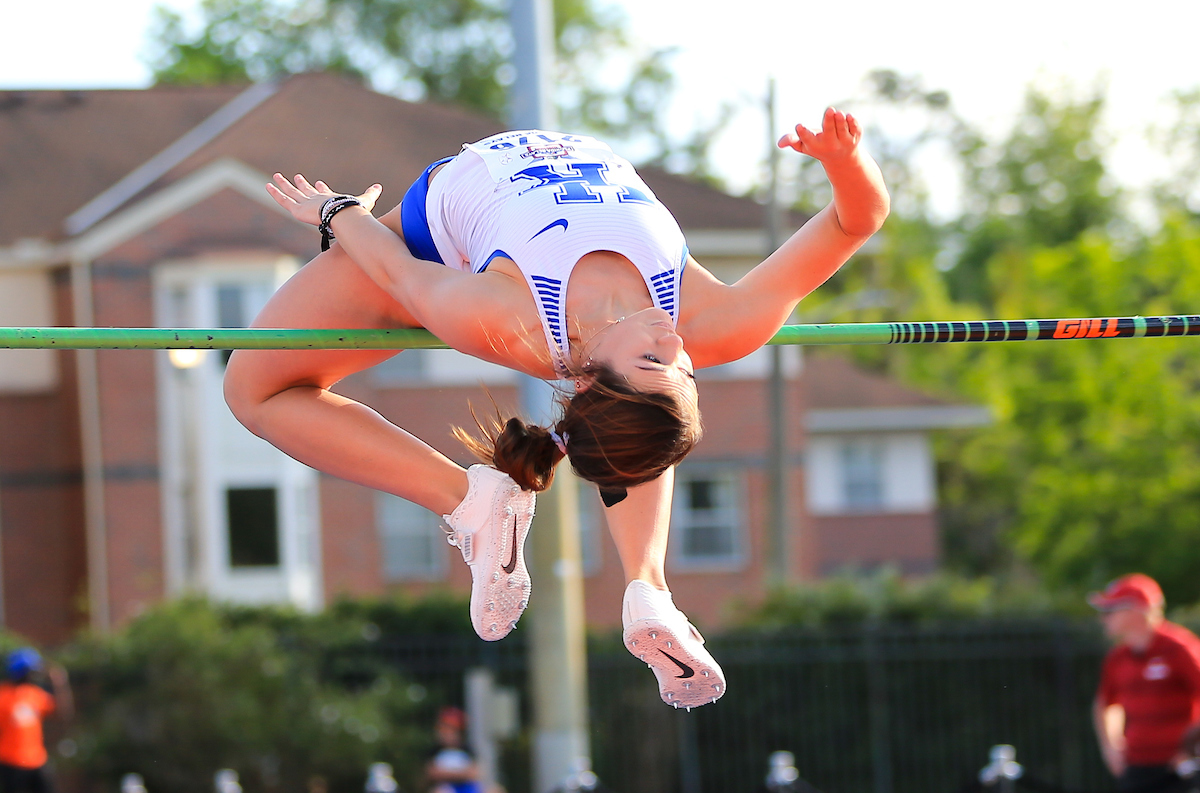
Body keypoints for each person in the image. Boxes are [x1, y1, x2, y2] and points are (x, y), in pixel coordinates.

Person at [226, 107, 888, 708]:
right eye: (687, 371)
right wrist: (846, 164)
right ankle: (647, 587)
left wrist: (337, 211)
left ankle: (466, 497)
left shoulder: (501, 317)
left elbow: (400, 272)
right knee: (646, 426)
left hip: (440, 227)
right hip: (546, 179)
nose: (676, 343)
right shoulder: (716, 325)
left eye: (655, 361)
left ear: (592, 379)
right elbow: (855, 221)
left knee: (254, 391)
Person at [1091, 574, 1200, 792]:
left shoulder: (1179, 649)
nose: (1103, 618)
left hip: (1179, 770)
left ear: (1135, 610)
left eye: (1110, 611)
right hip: (1137, 767)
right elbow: (1106, 705)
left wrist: (1190, 750)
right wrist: (1111, 748)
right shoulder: (1117, 657)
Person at [0, 649, 72, 793]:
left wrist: (59, 685)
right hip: (9, 762)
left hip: (37, 760)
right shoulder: (3, 695)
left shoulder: (35, 694)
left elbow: (62, 713)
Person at [426, 707, 482, 793]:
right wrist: (463, 773)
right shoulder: (435, 751)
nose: (446, 734)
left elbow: (475, 773)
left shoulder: (466, 749)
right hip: (447, 788)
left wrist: (445, 773)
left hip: (468, 788)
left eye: (450, 730)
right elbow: (432, 773)